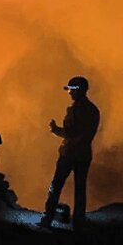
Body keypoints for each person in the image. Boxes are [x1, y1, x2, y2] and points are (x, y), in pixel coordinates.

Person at [39, 76, 100, 230]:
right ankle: (79, 221)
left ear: (79, 91)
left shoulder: (75, 110)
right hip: (84, 154)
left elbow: (70, 133)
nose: (69, 93)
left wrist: (55, 130)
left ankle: (48, 217)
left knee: (56, 185)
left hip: (69, 154)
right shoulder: (93, 110)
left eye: (72, 90)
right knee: (80, 189)